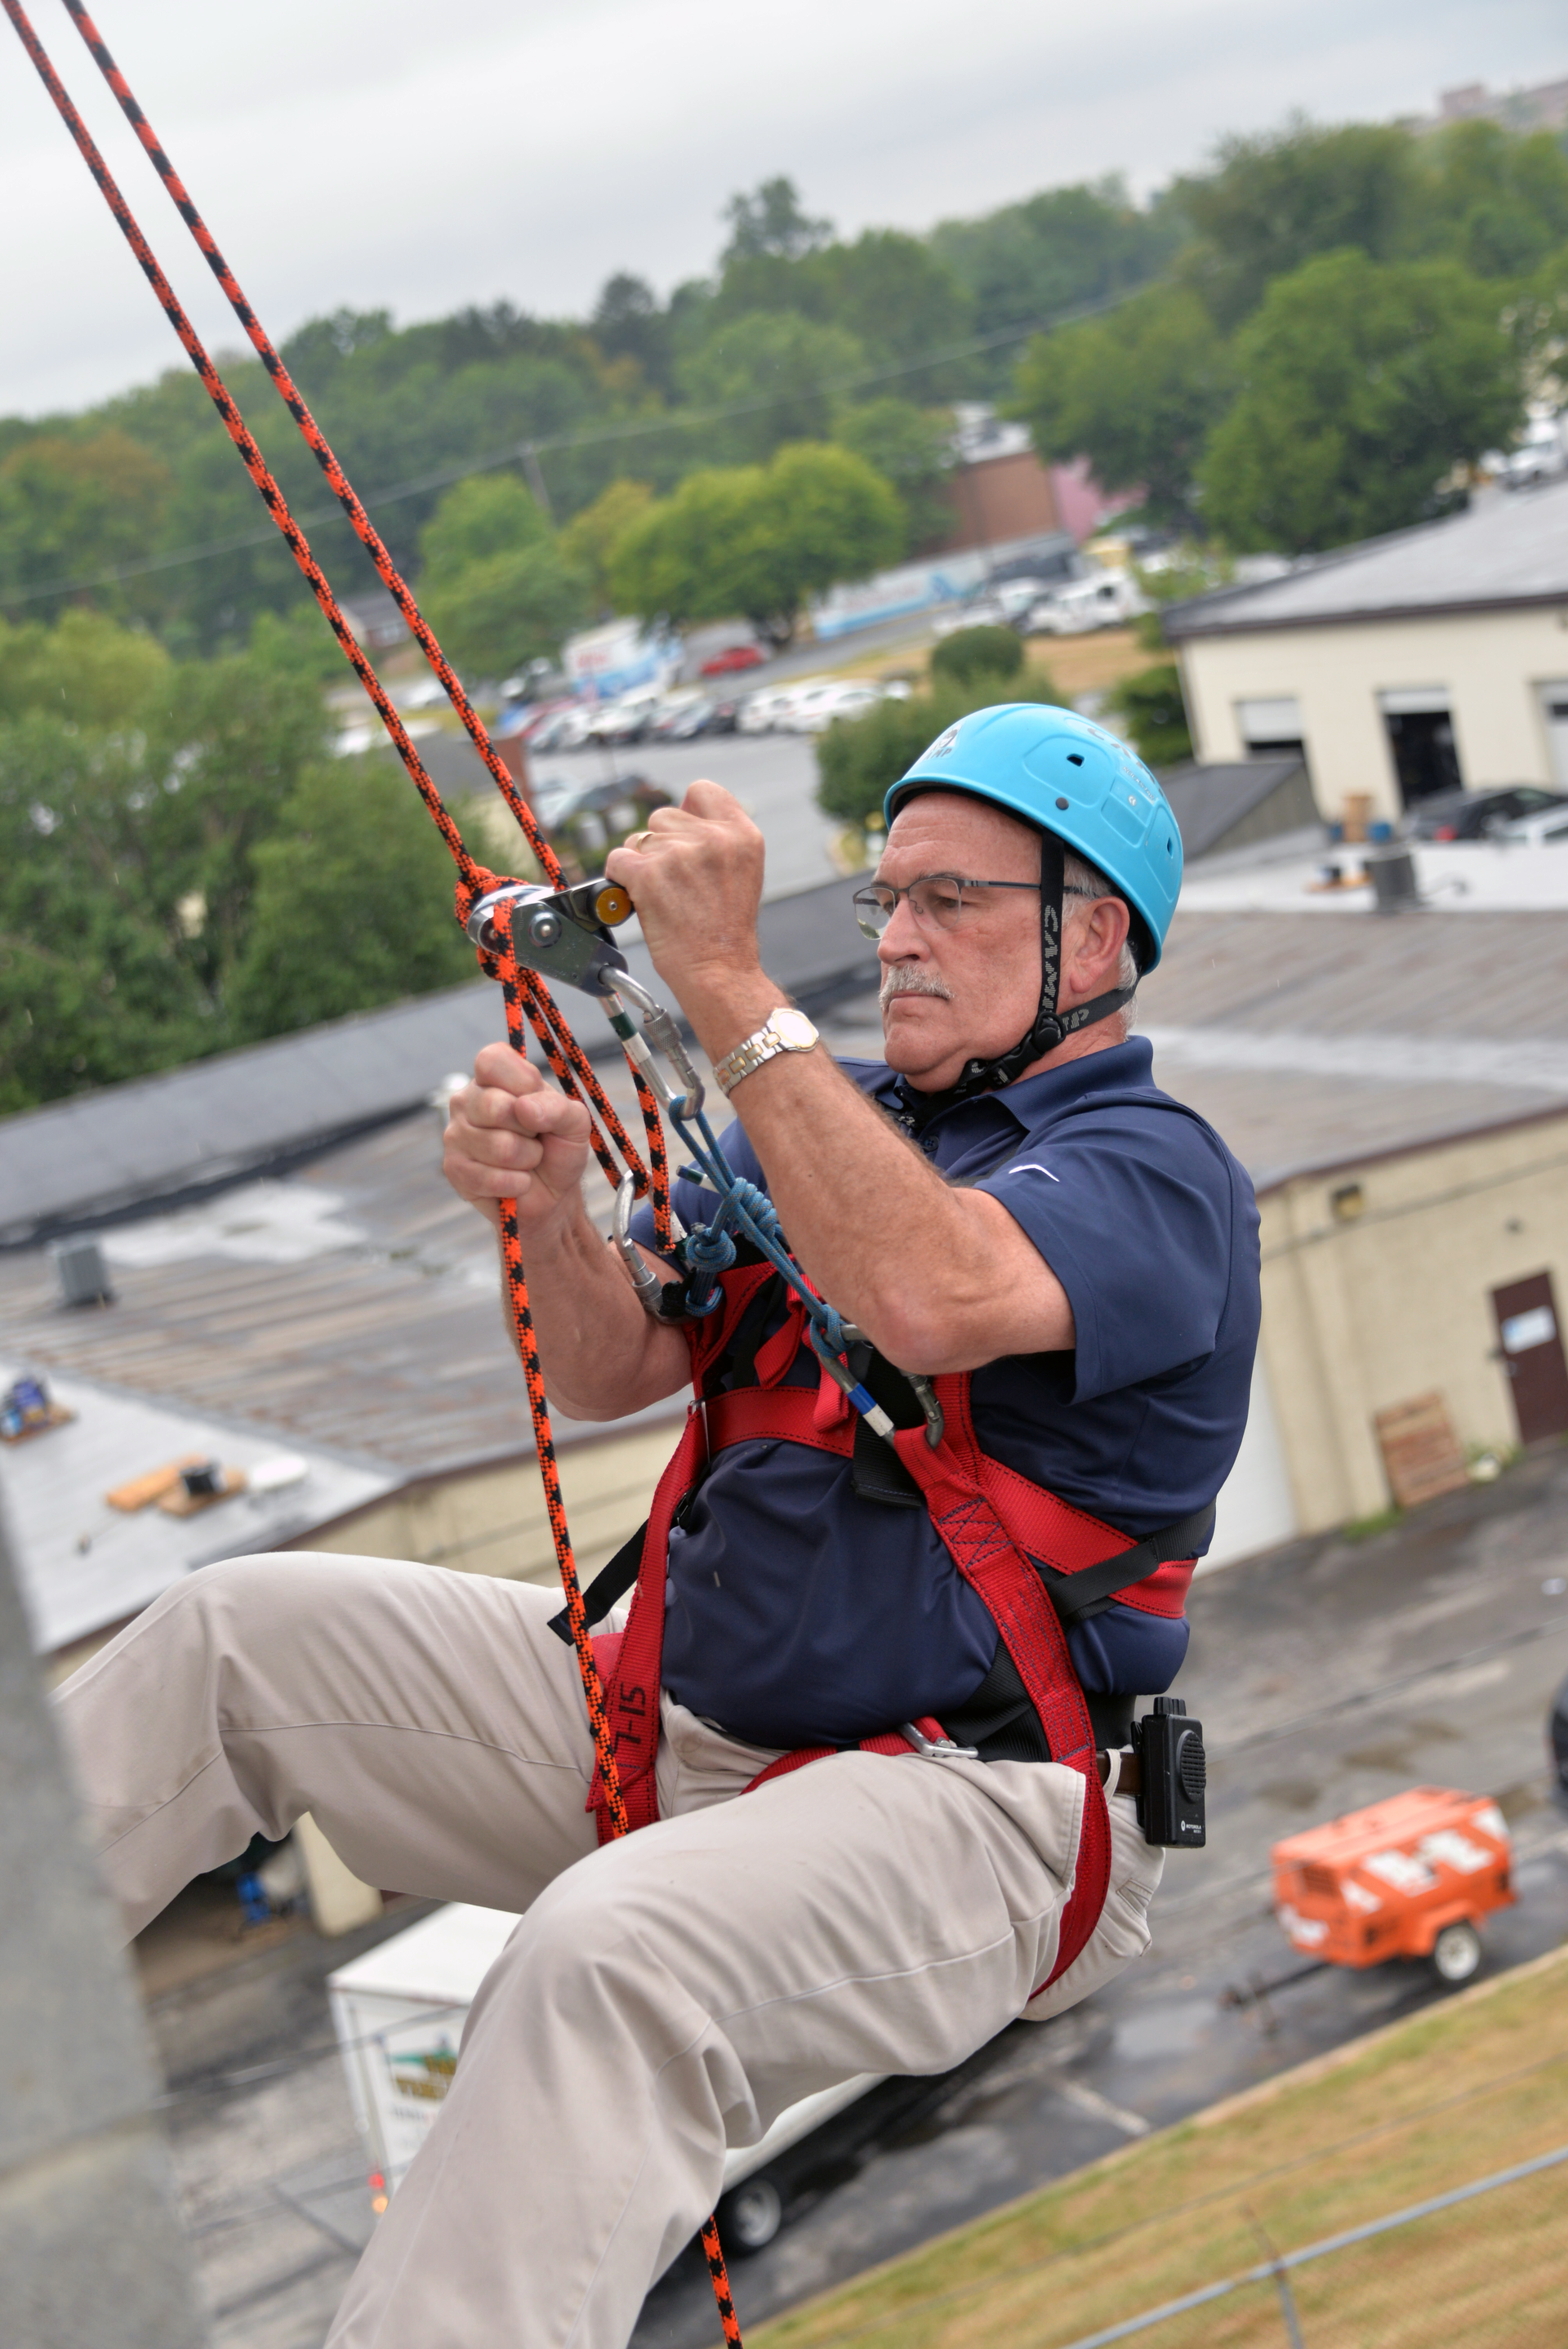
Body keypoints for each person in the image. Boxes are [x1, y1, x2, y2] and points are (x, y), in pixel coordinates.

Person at [55, 704, 1260, 2349]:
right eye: (886, 901)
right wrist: (548, 1209)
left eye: (954, 901)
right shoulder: (829, 1120)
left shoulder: (1153, 1173)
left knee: (601, 1953)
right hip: (688, 1738)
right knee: (228, 1638)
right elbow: (620, 1354)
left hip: (982, 1806)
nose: (898, 938)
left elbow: (928, 1290)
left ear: (1096, 932)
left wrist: (724, 981)